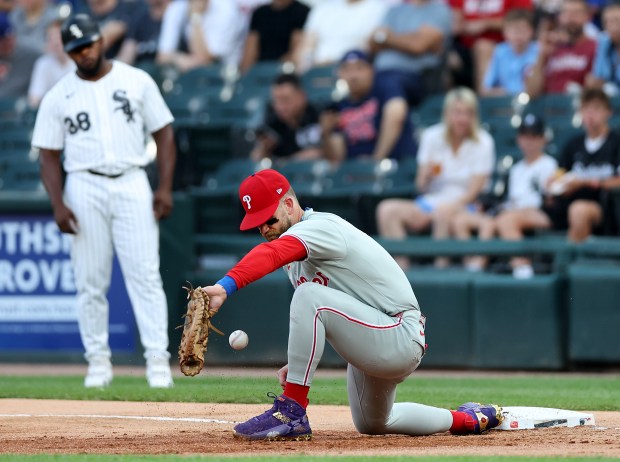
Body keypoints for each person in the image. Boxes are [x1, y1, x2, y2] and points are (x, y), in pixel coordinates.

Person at [198, 168, 504, 441]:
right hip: (376, 334)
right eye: (258, 224)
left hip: (399, 331)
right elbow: (337, 312)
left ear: (289, 204)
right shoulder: (293, 257)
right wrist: (300, 361)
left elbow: (271, 257)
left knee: (307, 297)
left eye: (269, 219)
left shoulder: (319, 227)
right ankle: (469, 418)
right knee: (374, 423)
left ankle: (291, 412)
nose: (264, 229)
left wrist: (226, 286)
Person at [31, 14, 177, 388]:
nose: (84, 52)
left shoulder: (135, 80)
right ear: (68, 52)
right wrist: (58, 202)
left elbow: (164, 133)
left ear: (101, 41)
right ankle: (98, 362)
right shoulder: (59, 94)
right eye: (76, 48)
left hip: (131, 180)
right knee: (90, 280)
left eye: (89, 44)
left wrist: (164, 187)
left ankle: (158, 363)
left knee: (144, 274)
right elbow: (47, 153)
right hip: (83, 184)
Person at [376, 87, 495, 270]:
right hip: (431, 202)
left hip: (464, 204)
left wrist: (447, 207)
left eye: (468, 113)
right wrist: (426, 177)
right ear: (447, 113)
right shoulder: (431, 136)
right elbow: (420, 187)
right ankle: (401, 270)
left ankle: (440, 269)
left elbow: (474, 191)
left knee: (443, 212)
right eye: (457, 112)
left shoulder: (483, 141)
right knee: (386, 209)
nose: (462, 119)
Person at [451, 113, 558, 278]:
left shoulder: (549, 164)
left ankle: (523, 269)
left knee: (506, 218)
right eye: (525, 136)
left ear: (543, 139)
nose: (529, 141)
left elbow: (550, 199)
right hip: (512, 210)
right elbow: (507, 199)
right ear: (518, 139)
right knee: (464, 220)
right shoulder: (515, 169)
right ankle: (474, 266)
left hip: (539, 212)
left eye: (534, 136)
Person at [547, 88, 620, 242]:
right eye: (586, 109)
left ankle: (571, 264)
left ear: (608, 112)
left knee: (579, 210)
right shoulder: (573, 145)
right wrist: (555, 184)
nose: (590, 114)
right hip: (570, 205)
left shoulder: (616, 142)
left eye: (596, 108)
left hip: (608, 208)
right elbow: (558, 175)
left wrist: (586, 182)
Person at [321, 50, 415, 163]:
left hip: (392, 165)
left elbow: (397, 113)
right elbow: (337, 159)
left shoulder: (384, 88)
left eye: (359, 68)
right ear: (340, 74)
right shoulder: (339, 105)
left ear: (371, 70)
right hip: (354, 173)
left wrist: (375, 160)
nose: (353, 76)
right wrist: (326, 133)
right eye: (347, 69)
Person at [369, 0, 453, 106]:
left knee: (391, 94)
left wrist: (387, 38)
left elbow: (418, 45)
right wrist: (411, 37)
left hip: (416, 76)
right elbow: (372, 43)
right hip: (379, 73)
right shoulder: (394, 10)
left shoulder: (440, 10)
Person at [448, 0, 533, 92]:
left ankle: (485, 101)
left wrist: (486, 24)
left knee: (484, 47)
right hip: (462, 46)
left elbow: (523, 19)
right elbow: (453, 20)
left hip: (504, 46)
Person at [293, 0, 388, 74]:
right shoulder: (323, 8)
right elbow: (306, 45)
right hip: (316, 71)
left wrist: (336, 63)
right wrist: (309, 64)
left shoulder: (379, 8)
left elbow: (370, 47)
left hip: (351, 69)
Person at [526, 0, 597, 98]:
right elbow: (532, 92)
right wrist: (542, 55)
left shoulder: (595, 47)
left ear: (587, 17)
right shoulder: (548, 45)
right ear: (559, 17)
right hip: (548, 109)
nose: (570, 18)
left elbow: (596, 91)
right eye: (566, 13)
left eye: (576, 13)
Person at [250, 73, 323, 163]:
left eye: (285, 99)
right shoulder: (271, 126)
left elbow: (322, 154)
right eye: (276, 100)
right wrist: (263, 149)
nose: (280, 107)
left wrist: (287, 162)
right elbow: (256, 161)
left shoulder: (319, 116)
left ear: (301, 96)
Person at [156, 0, 244, 72]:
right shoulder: (177, 7)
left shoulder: (226, 9)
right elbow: (162, 57)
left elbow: (205, 59)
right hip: (192, 73)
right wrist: (179, 59)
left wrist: (196, 17)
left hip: (224, 73)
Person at [481, 8, 539, 97]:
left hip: (534, 100)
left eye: (522, 30)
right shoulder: (499, 51)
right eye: (514, 30)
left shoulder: (539, 50)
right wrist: (500, 92)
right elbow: (486, 88)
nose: (518, 35)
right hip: (505, 102)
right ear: (505, 32)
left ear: (531, 31)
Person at [240, 0, 309, 74]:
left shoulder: (301, 11)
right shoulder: (260, 13)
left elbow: (296, 51)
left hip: (284, 71)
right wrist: (246, 73)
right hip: (259, 69)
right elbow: (250, 50)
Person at [28, 16, 76, 108]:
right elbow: (34, 99)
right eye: (51, 38)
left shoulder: (79, 60)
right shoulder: (43, 63)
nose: (56, 43)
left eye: (59, 37)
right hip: (52, 111)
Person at [0, 11, 40, 99]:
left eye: (10, 37)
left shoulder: (30, 52)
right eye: (4, 41)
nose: (10, 42)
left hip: (21, 107)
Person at [116, 0, 170, 66]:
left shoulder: (177, 13)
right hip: (141, 69)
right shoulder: (140, 16)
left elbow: (165, 58)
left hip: (164, 69)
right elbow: (126, 57)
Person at [586, 1, 620, 92]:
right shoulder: (603, 42)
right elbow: (598, 76)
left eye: (616, 20)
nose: (612, 26)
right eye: (607, 21)